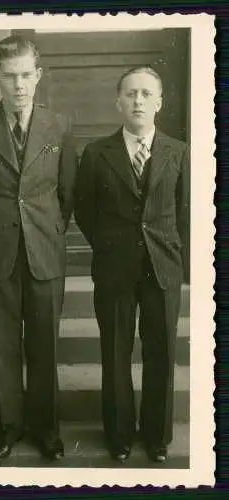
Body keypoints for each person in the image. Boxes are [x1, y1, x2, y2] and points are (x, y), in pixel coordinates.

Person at [0, 35, 77, 462]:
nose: (19, 84)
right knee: (1, 346)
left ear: (38, 75)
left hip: (44, 250)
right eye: (10, 76)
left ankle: (46, 430)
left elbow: (67, 190)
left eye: (26, 75)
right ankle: (5, 430)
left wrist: (49, 231)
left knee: (45, 344)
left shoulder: (58, 125)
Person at [74, 66, 189, 463]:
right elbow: (84, 211)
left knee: (161, 353)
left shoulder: (179, 151)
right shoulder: (96, 153)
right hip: (115, 268)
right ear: (117, 102)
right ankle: (119, 436)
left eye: (146, 93)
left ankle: (157, 437)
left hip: (162, 269)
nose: (138, 101)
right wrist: (110, 248)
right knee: (115, 352)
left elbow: (186, 212)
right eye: (130, 94)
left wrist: (171, 254)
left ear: (160, 102)